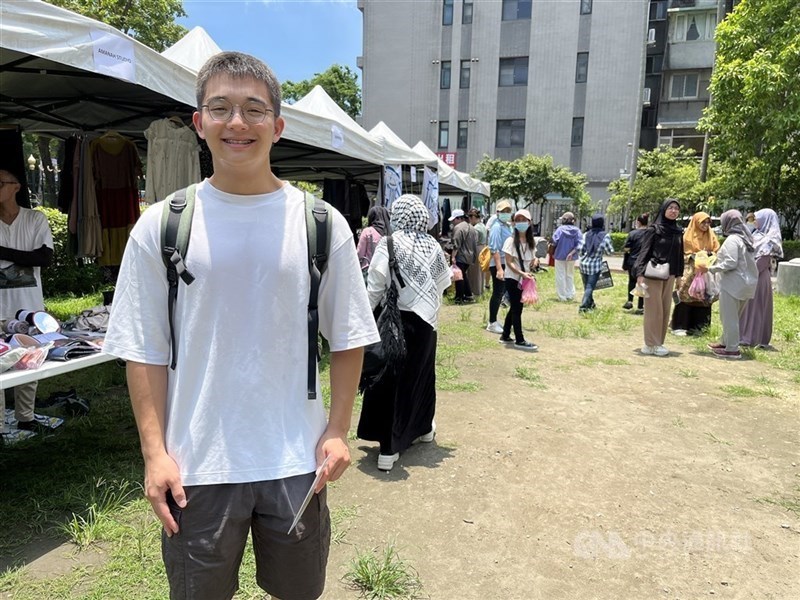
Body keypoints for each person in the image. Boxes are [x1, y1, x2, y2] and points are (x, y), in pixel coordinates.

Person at [102, 52, 380, 600]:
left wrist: (337, 429)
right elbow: (144, 350)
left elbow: (348, 336)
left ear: (277, 127)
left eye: (254, 110)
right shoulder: (161, 225)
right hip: (197, 464)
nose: (237, 123)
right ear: (198, 122)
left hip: (296, 459)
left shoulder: (321, 224)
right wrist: (155, 454)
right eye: (221, 107)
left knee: (298, 591)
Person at [358, 194, 451, 471]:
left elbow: (375, 285)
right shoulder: (433, 244)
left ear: (396, 216)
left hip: (394, 324)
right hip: (425, 325)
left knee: (390, 383)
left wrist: (364, 319)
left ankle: (388, 448)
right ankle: (423, 429)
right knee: (421, 377)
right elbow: (442, 283)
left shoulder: (390, 242)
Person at [0, 169, 54, 435]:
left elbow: (43, 258)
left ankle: (26, 416)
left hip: (28, 307)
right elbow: (32, 257)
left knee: (29, 362)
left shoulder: (34, 219)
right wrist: (22, 256)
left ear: (16, 187)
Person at [699, 210, 758, 360]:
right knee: (734, 316)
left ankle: (732, 349)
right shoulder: (746, 238)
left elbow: (731, 262)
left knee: (729, 317)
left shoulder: (733, 239)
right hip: (746, 284)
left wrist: (711, 269)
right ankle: (725, 342)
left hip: (733, 283)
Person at [633, 199, 684, 357]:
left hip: (669, 274)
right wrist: (640, 274)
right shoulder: (653, 230)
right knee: (654, 310)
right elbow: (644, 252)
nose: (674, 211)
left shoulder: (678, 231)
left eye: (676, 208)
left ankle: (658, 342)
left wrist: (679, 276)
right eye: (670, 208)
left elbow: (679, 255)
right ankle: (650, 343)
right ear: (664, 210)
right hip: (653, 274)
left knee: (665, 309)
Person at [670, 211, 720, 335]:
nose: (705, 225)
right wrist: (693, 256)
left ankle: (699, 327)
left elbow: (717, 250)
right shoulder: (687, 236)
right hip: (690, 272)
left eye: (708, 222)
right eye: (703, 222)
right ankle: (680, 326)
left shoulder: (711, 235)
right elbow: (681, 253)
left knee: (703, 298)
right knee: (685, 297)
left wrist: (709, 255)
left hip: (704, 273)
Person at [739, 208, 783, 349]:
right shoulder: (757, 234)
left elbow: (763, 260)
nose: (755, 221)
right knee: (748, 306)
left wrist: (749, 273)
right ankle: (744, 334)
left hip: (758, 275)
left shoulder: (770, 238)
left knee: (755, 306)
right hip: (752, 273)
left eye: (757, 219)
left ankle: (751, 337)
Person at [499, 209, 539, 351]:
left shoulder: (530, 241)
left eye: (524, 219)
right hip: (513, 278)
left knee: (515, 307)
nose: (521, 222)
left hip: (524, 278)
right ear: (514, 222)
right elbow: (509, 263)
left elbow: (533, 257)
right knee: (517, 308)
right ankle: (519, 339)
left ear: (529, 222)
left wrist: (535, 261)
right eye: (518, 219)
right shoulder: (510, 241)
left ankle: (505, 334)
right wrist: (522, 273)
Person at [486, 200, 513, 333]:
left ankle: (494, 320)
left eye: (508, 211)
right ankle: (492, 322)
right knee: (498, 292)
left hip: (505, 262)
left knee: (501, 292)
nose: (506, 214)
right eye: (503, 211)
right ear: (498, 212)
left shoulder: (506, 226)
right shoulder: (496, 227)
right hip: (499, 263)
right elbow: (494, 249)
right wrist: (499, 269)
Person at [577, 214, 613, 313]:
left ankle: (591, 304)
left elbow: (580, 250)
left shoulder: (585, 234)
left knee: (587, 286)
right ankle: (583, 307)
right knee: (590, 287)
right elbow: (610, 251)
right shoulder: (605, 236)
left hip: (583, 264)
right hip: (595, 265)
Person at [551, 211, 581, 301]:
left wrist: (551, 252)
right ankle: (570, 295)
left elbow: (554, 241)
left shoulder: (560, 230)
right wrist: (572, 253)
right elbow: (580, 244)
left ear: (565, 220)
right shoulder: (577, 231)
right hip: (572, 257)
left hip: (560, 256)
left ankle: (562, 296)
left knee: (560, 275)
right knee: (570, 275)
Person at [621, 213, 649, 314]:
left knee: (632, 281)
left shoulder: (633, 234)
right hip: (645, 262)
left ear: (638, 222)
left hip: (632, 261)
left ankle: (630, 300)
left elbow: (626, 248)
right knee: (642, 283)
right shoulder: (650, 233)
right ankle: (640, 306)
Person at [449, 208, 477, 303]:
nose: (453, 222)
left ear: (458, 218)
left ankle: (459, 297)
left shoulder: (458, 228)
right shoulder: (471, 227)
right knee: (463, 275)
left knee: (459, 277)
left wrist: (453, 256)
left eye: (453, 220)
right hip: (470, 256)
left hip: (461, 256)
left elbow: (456, 244)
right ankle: (468, 295)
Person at [357, 205, 390, 277]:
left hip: (368, 271)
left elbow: (360, 254)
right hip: (385, 273)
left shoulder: (367, 231)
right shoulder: (390, 234)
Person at [467, 208, 487, 299]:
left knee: (475, 272)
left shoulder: (475, 228)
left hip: (477, 249)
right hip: (484, 248)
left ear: (474, 217)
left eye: (470, 217)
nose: (469, 220)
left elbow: (472, 241)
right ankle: (481, 290)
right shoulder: (483, 226)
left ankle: (476, 292)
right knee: (481, 272)